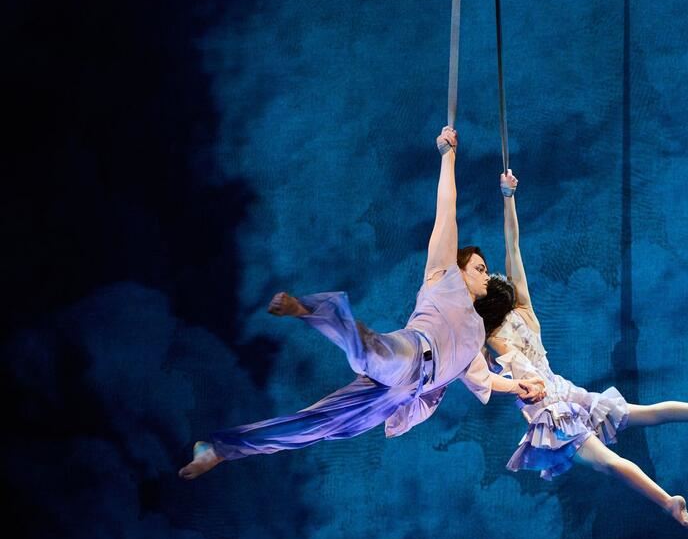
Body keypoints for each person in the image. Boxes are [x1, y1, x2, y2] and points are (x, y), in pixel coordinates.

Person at [178, 127, 545, 480]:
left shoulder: (475, 338)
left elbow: (486, 380)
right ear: (460, 267)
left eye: (486, 272)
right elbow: (446, 211)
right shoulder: (442, 275)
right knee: (371, 349)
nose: (486, 275)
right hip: (413, 351)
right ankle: (312, 310)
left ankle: (220, 449)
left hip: (404, 394)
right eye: (479, 268)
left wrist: (520, 385)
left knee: (319, 425)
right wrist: (448, 157)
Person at [474, 169, 688, 530]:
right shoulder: (526, 313)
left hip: (552, 410)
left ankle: (669, 503)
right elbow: (513, 247)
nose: (488, 275)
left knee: (608, 463)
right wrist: (508, 198)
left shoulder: (486, 335)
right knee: (650, 413)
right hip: (566, 391)